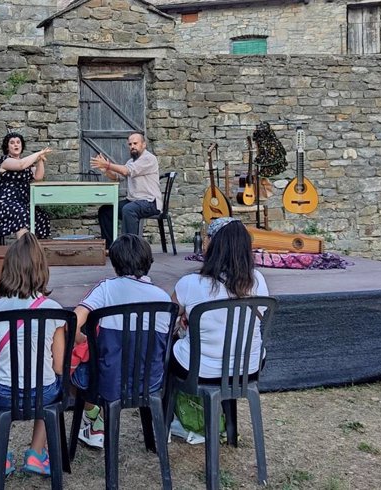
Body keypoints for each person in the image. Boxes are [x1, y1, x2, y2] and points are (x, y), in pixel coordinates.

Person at [0, 232, 66, 476]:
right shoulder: (54, 310)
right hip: (43, 394)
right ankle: (36, 453)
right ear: (42, 269)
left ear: (8, 268)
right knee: (52, 384)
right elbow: (59, 366)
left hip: (2, 392)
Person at [169, 217, 269, 444]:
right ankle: (228, 426)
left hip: (200, 370)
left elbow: (168, 320)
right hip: (249, 368)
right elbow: (261, 313)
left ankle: (171, 419)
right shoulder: (257, 280)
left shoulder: (190, 283)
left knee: (168, 349)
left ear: (213, 245)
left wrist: (187, 320)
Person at [71, 234, 172, 449]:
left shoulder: (106, 289)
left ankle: (94, 417)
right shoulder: (163, 298)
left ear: (115, 264)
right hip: (150, 382)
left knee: (74, 368)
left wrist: (82, 339)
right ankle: (97, 423)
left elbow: (73, 323)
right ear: (149, 262)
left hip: (106, 381)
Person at [91, 132, 162, 248]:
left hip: (150, 202)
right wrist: (105, 169)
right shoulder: (131, 162)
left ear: (144, 145)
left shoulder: (149, 159)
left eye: (135, 143)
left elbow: (126, 171)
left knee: (128, 209)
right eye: (130, 144)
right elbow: (117, 177)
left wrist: (108, 164)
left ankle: (129, 249)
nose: (132, 146)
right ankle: (111, 248)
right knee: (105, 211)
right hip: (133, 201)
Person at [0, 132, 52, 239]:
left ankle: (34, 249)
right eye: (12, 143)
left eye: (18, 142)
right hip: (7, 201)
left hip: (23, 201)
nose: (16, 145)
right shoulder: (5, 161)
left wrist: (40, 159)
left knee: (41, 216)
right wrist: (37, 153)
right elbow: (20, 165)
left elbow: (38, 176)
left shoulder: (27, 163)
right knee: (21, 214)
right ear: (7, 147)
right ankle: (24, 250)